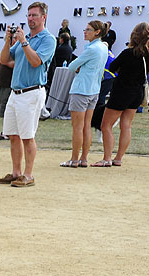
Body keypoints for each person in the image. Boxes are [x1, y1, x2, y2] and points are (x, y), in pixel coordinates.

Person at [0, 2, 55, 188]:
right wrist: (8, 41)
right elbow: (4, 59)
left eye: (34, 15)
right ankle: (16, 173)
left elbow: (36, 61)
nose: (30, 19)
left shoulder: (48, 39)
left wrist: (23, 42)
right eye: (29, 15)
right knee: (13, 135)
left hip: (32, 92)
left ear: (44, 17)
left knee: (27, 136)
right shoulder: (25, 38)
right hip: (15, 92)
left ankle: (28, 175)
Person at [96, 22, 149, 167]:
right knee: (126, 125)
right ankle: (118, 158)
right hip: (137, 92)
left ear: (134, 36)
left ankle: (107, 158)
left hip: (122, 91)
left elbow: (112, 67)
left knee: (106, 125)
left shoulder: (128, 53)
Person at [60, 20, 108, 167]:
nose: (85, 32)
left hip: (82, 90)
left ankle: (74, 159)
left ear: (97, 32)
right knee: (86, 125)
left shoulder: (92, 49)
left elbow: (72, 66)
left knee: (78, 127)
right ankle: (84, 158)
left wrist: (78, 67)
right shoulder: (103, 47)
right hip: (94, 89)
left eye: (88, 30)